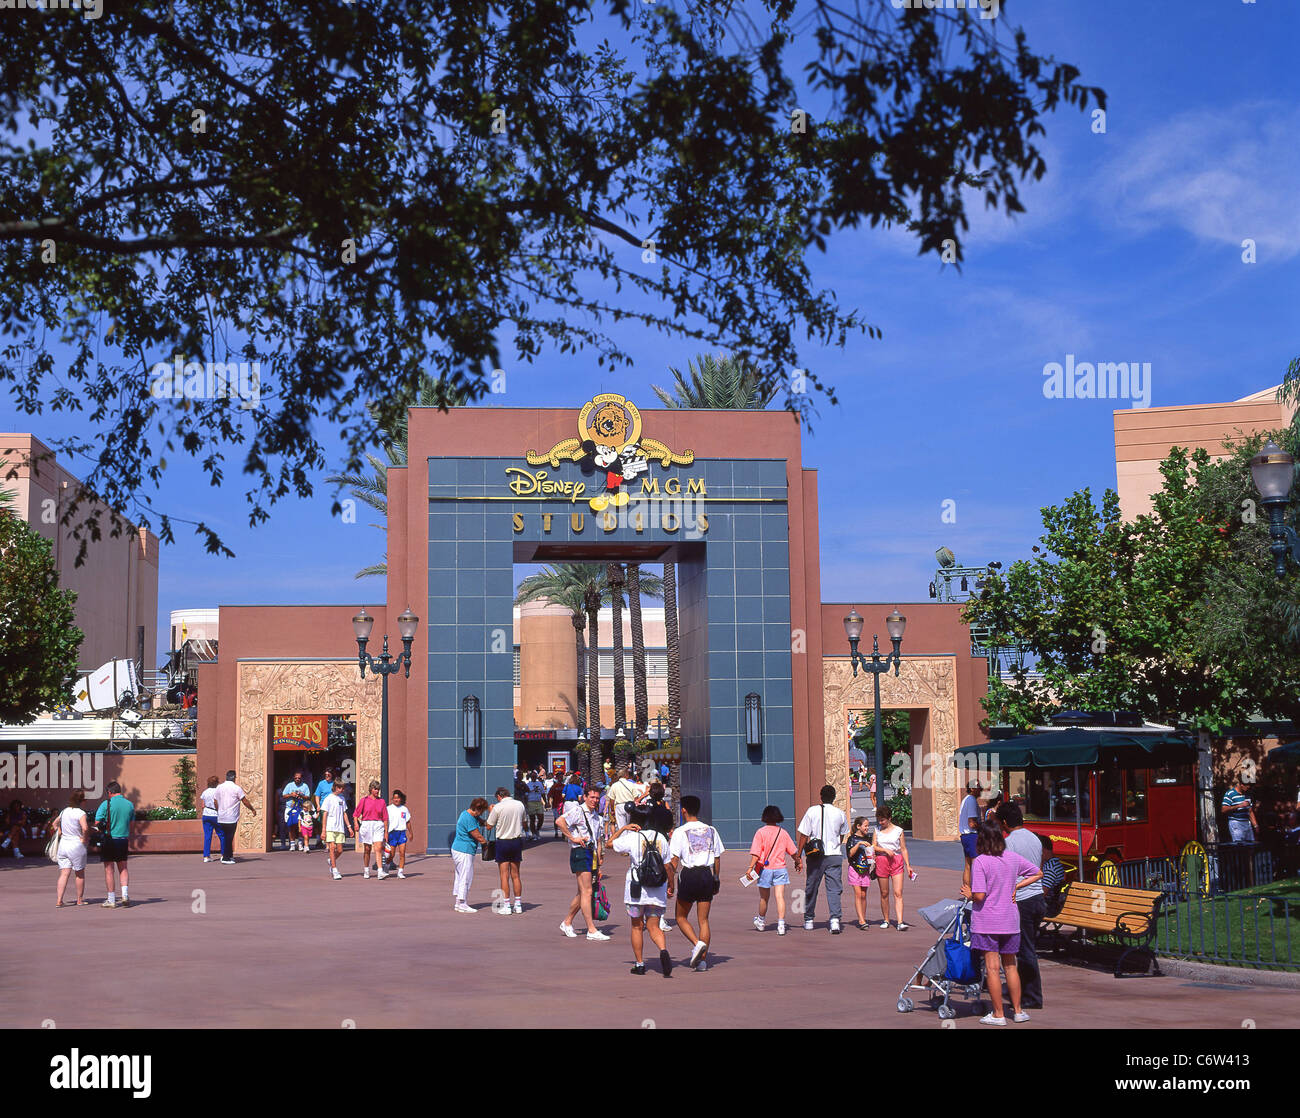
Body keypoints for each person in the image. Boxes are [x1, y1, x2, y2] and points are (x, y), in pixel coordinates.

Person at [961, 820, 1043, 1026]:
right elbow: (1037, 873)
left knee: (992, 967)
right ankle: (1018, 1011)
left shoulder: (981, 861)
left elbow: (980, 895)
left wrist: (969, 894)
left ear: (983, 840)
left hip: (988, 921)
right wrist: (1017, 886)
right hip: (1010, 920)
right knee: (1010, 966)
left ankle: (998, 1014)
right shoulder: (1013, 858)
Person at [607, 803, 675, 976]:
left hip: (636, 889)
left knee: (637, 927)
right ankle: (663, 950)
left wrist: (623, 828)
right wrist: (671, 885)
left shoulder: (632, 837)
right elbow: (668, 866)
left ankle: (639, 964)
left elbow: (609, 844)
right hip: (657, 890)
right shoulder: (661, 838)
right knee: (654, 926)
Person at [997, 801, 1045, 1010]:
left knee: (1024, 950)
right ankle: (1022, 988)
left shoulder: (1010, 843)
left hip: (1022, 899)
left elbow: (1005, 874)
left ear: (1005, 822)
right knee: (1026, 947)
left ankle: (1032, 997)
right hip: (1037, 897)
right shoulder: (1034, 838)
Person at [668, 794, 725, 971]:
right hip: (706, 874)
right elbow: (717, 858)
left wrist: (670, 884)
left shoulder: (679, 832)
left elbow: (674, 862)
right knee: (704, 920)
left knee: (680, 917)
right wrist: (716, 878)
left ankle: (696, 943)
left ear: (683, 810)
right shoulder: (711, 830)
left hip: (689, 874)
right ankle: (702, 961)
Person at [558, 785, 610, 940]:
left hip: (591, 854)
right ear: (585, 797)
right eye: (592, 797)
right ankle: (591, 929)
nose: (594, 800)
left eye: (597, 798)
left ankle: (567, 922)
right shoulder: (578, 811)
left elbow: (598, 839)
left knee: (583, 892)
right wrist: (572, 837)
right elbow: (560, 821)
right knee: (587, 891)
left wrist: (600, 858)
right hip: (580, 853)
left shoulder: (596, 816)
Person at [796, 784, 849, 934]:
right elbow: (843, 834)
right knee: (834, 889)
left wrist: (798, 855)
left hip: (815, 855)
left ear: (820, 796)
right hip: (834, 855)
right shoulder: (840, 813)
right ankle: (834, 920)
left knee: (811, 886)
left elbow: (804, 835)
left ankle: (809, 919)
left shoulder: (812, 811)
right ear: (834, 797)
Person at [747, 805, 800, 935]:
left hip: (765, 869)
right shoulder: (783, 832)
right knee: (780, 897)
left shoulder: (760, 832)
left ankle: (761, 921)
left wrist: (750, 868)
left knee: (764, 898)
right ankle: (781, 925)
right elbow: (793, 851)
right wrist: (798, 862)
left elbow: (756, 853)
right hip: (780, 868)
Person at [487, 785, 528, 913]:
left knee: (504, 875)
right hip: (516, 841)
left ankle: (506, 905)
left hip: (503, 842)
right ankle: (518, 904)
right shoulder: (519, 805)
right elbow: (524, 822)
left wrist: (490, 811)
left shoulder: (498, 807)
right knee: (516, 875)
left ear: (499, 796)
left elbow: (489, 826)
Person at [94, 781, 135, 909]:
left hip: (109, 839)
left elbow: (97, 822)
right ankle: (125, 895)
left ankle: (111, 899)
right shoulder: (129, 804)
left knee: (109, 870)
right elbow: (132, 824)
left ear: (109, 792)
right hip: (123, 839)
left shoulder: (106, 804)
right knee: (123, 868)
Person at [871, 804, 911, 930]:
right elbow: (873, 846)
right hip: (882, 860)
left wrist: (908, 865)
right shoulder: (877, 830)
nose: (880, 822)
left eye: (883, 819)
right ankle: (886, 919)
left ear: (889, 818)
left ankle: (900, 922)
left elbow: (903, 849)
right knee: (884, 893)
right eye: (879, 819)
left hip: (896, 861)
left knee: (898, 892)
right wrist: (884, 850)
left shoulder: (899, 830)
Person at [49, 790, 89, 906]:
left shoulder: (64, 811)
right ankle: (79, 899)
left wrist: (60, 831)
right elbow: (85, 828)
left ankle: (59, 900)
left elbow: (54, 824)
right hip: (76, 845)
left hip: (64, 845)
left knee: (64, 873)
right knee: (79, 874)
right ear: (82, 801)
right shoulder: (80, 813)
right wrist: (84, 839)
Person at [451, 797, 490, 912]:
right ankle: (463, 903)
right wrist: (486, 844)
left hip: (460, 849)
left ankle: (458, 903)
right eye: (482, 811)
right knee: (466, 876)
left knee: (460, 875)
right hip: (464, 850)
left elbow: (483, 822)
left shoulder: (469, 815)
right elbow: (477, 835)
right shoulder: (469, 818)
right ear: (478, 809)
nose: (482, 813)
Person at [213, 770, 257, 865]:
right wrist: (252, 809)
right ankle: (226, 858)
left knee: (225, 837)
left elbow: (215, 801)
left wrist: (218, 810)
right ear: (234, 778)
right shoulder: (236, 788)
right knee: (229, 837)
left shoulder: (219, 787)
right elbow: (244, 801)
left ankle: (229, 855)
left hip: (221, 816)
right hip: (231, 817)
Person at [845, 816, 876, 930]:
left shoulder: (868, 839)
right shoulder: (852, 839)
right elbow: (850, 854)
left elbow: (871, 853)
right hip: (854, 869)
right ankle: (861, 920)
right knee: (858, 894)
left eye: (868, 826)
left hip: (865, 870)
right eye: (865, 826)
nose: (867, 828)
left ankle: (863, 916)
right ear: (858, 826)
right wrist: (858, 844)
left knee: (863, 895)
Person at [355, 780, 390, 879]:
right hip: (366, 824)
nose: (377, 791)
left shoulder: (382, 801)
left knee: (378, 848)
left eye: (378, 789)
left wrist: (386, 832)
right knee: (367, 849)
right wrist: (356, 824)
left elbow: (385, 818)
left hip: (378, 825)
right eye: (375, 789)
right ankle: (366, 869)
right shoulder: (364, 800)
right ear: (371, 789)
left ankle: (380, 872)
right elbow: (356, 814)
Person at [320, 781, 354, 880]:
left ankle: (331, 860)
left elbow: (344, 813)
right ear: (335, 787)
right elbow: (325, 814)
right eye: (340, 788)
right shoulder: (328, 798)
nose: (342, 790)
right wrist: (323, 830)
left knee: (340, 850)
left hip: (340, 828)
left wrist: (349, 827)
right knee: (332, 847)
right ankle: (334, 870)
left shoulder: (342, 798)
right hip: (330, 827)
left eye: (343, 788)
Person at [606, 767, 649, 831]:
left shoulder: (614, 785)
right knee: (630, 825)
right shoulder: (631, 784)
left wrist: (612, 810)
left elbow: (612, 800)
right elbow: (636, 797)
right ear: (626, 775)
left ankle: (623, 838)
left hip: (619, 807)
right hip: (630, 806)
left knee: (621, 827)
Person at [958, 780, 983, 889]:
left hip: (965, 836)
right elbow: (972, 823)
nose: (980, 789)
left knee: (968, 865)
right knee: (976, 866)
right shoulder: (971, 800)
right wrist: (984, 827)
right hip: (972, 835)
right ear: (972, 788)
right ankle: (975, 892)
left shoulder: (965, 800)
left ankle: (967, 892)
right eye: (978, 787)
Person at [281, 769, 313, 852]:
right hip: (290, 808)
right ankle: (292, 844)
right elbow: (283, 795)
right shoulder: (289, 785)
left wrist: (301, 795)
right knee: (291, 826)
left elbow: (308, 796)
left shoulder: (305, 786)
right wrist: (291, 795)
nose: (297, 779)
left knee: (301, 827)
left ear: (301, 778)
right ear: (293, 778)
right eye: (296, 778)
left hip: (301, 808)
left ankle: (300, 844)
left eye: (299, 778)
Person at [1222, 774, 1258, 844]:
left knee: (1251, 845)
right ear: (1241, 784)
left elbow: (1250, 811)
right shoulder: (1230, 793)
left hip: (1247, 823)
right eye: (1247, 785)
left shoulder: (1247, 795)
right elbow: (1224, 809)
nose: (1248, 787)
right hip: (1236, 823)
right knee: (1239, 846)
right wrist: (1239, 805)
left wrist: (1256, 825)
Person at [385, 790, 411, 878]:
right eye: (395, 798)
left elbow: (408, 822)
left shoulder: (404, 809)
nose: (396, 800)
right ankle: (386, 867)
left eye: (398, 798)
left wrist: (411, 833)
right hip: (392, 833)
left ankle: (400, 871)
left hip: (402, 833)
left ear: (400, 799)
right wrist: (385, 833)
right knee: (391, 854)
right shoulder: (388, 808)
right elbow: (385, 821)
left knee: (402, 852)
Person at [198, 775, 220, 863]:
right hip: (215, 814)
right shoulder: (218, 792)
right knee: (221, 835)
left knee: (207, 836)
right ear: (216, 783)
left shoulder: (205, 792)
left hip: (206, 815)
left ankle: (206, 856)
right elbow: (217, 803)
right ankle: (224, 855)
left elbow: (203, 805)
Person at [312, 767, 336, 850]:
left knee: (331, 825)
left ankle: (331, 843)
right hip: (323, 807)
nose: (327, 776)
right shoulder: (321, 783)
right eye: (325, 775)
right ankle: (326, 845)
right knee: (324, 825)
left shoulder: (335, 783)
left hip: (333, 807)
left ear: (332, 775)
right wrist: (318, 805)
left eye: (328, 775)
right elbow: (317, 795)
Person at [525, 771, 546, 839]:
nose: (534, 777)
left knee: (541, 818)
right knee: (532, 819)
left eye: (535, 776)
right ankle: (533, 833)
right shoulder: (528, 784)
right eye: (532, 776)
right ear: (531, 777)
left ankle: (537, 830)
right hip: (530, 802)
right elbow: (526, 794)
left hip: (538, 802)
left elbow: (543, 793)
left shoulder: (539, 783)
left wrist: (546, 802)